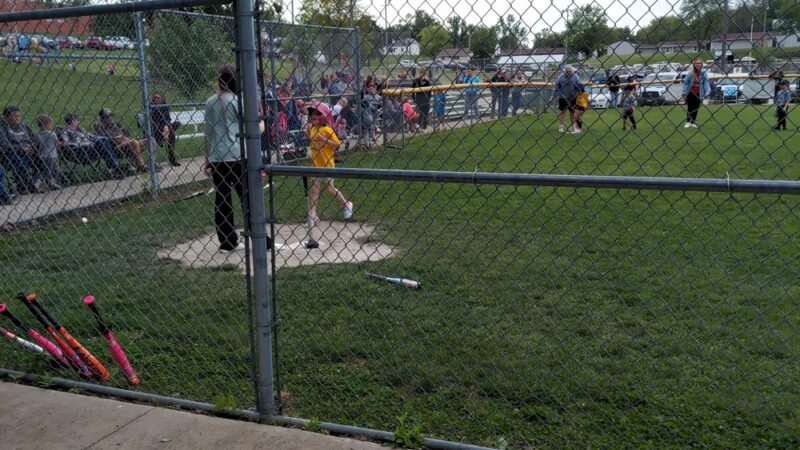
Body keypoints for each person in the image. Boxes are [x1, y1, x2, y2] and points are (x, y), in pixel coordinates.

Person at [203, 64, 247, 252]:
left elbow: (208, 134)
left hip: (218, 157)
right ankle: (259, 236)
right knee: (247, 197)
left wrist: (207, 159)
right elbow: (252, 127)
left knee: (222, 198)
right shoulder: (238, 100)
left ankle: (227, 241)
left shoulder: (210, 102)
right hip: (236, 154)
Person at [306, 106, 353, 224]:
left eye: (316, 116)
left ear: (322, 117)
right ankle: (313, 215)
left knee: (330, 189)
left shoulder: (327, 130)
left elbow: (337, 145)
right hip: (315, 164)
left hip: (327, 164)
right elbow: (311, 140)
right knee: (314, 190)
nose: (313, 118)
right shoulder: (311, 128)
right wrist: (307, 132)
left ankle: (347, 204)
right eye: (312, 116)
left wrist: (324, 139)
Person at [61, 113, 124, 178]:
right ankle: (114, 168)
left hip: (93, 148)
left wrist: (109, 138)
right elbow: (67, 143)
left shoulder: (81, 130)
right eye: (78, 120)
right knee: (102, 143)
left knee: (105, 141)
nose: (79, 122)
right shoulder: (66, 131)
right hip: (81, 152)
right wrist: (85, 144)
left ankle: (114, 167)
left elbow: (93, 137)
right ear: (72, 121)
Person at [93, 108, 147, 173]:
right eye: (107, 117)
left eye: (111, 115)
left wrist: (127, 138)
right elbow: (105, 140)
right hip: (116, 147)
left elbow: (125, 134)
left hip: (126, 143)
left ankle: (143, 164)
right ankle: (141, 166)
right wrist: (119, 139)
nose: (110, 118)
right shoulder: (99, 126)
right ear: (102, 118)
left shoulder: (115, 124)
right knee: (134, 143)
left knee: (148, 141)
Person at [0, 106, 37, 194]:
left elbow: (34, 139)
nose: (17, 118)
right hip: (10, 155)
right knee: (20, 161)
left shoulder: (25, 126)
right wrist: (22, 149)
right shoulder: (2, 128)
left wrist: (34, 146)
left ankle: (34, 184)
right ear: (6, 117)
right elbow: (4, 146)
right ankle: (23, 188)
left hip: (29, 152)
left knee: (44, 159)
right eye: (15, 116)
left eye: (18, 116)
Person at [35, 114, 66, 190]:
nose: (51, 125)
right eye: (51, 124)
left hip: (42, 155)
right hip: (51, 156)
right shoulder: (52, 134)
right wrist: (63, 142)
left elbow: (36, 145)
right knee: (47, 170)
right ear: (47, 124)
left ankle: (52, 183)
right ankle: (37, 183)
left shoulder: (38, 134)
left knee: (53, 170)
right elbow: (58, 144)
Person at [150, 92, 181, 166]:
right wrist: (165, 127)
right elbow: (152, 121)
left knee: (174, 130)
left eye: (158, 98)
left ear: (162, 99)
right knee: (171, 133)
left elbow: (168, 119)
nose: (156, 99)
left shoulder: (165, 106)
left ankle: (171, 159)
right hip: (154, 129)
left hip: (165, 128)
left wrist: (166, 126)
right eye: (155, 98)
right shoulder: (150, 107)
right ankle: (163, 136)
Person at [681, 58, 711, 128]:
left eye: (699, 63)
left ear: (701, 64)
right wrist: (684, 92)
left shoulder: (704, 73)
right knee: (690, 107)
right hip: (690, 92)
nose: (698, 64)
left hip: (699, 93)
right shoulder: (690, 73)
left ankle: (693, 122)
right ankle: (688, 122)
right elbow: (685, 83)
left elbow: (706, 84)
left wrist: (706, 93)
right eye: (696, 63)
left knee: (696, 108)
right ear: (694, 64)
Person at [550, 65, 580, 133]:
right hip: (563, 98)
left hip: (573, 98)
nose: (569, 73)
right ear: (565, 71)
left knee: (572, 112)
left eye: (570, 71)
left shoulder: (575, 77)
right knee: (562, 112)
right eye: (567, 72)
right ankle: (561, 127)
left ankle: (573, 127)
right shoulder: (560, 77)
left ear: (572, 71)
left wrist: (579, 94)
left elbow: (579, 86)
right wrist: (552, 96)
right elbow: (556, 87)